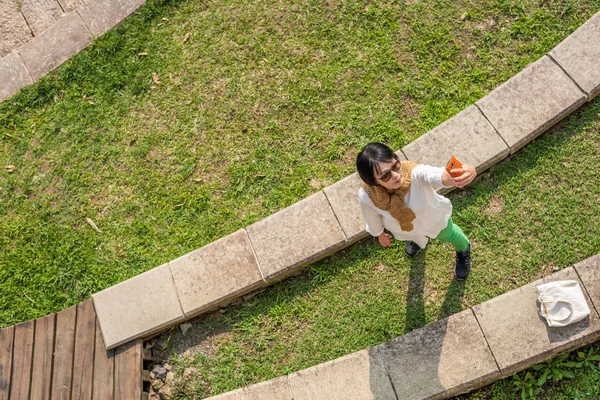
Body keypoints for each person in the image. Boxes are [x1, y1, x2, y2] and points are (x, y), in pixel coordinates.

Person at [356, 142, 477, 280]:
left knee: (449, 235)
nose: (396, 175)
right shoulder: (367, 196)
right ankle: (416, 241)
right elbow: (371, 216)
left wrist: (465, 173)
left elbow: (436, 175)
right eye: (385, 176)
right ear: (373, 182)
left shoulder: (414, 173)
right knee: (411, 236)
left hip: (432, 220)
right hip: (404, 229)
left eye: (395, 165)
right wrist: (379, 234)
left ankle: (464, 249)